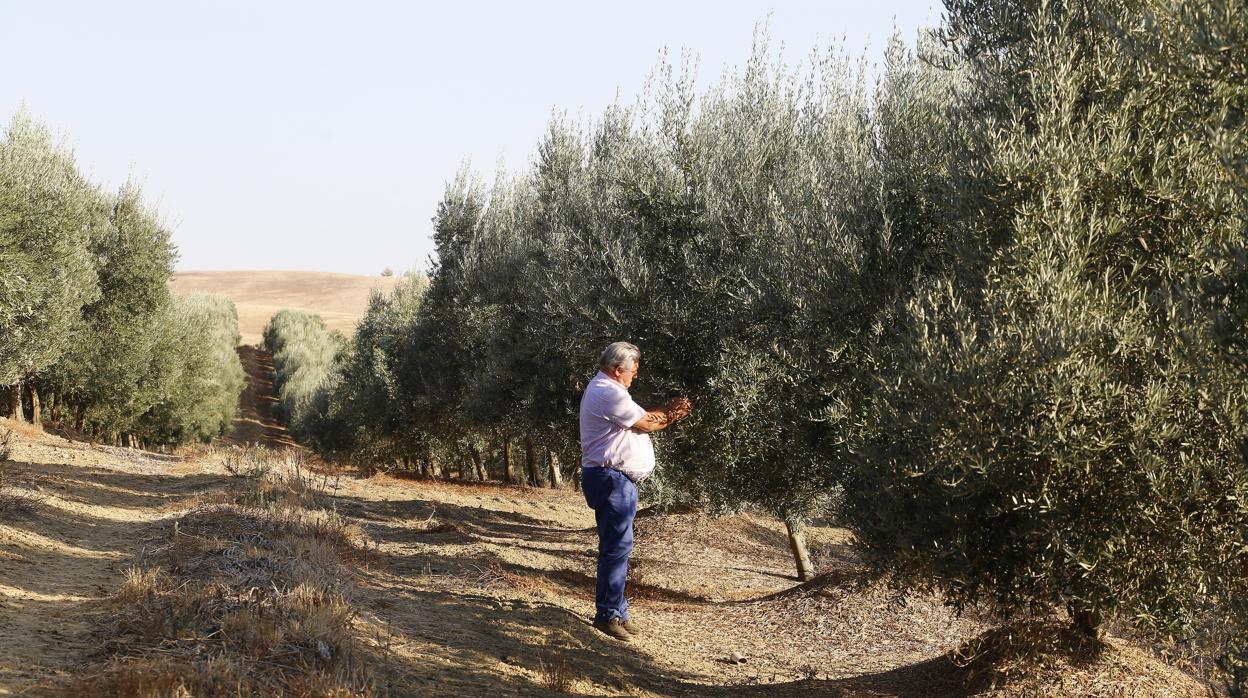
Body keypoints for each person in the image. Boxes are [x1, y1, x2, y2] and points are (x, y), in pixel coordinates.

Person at [579, 341, 692, 641]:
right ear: (618, 370)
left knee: (619, 547)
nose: (636, 375)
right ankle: (607, 615)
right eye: (633, 370)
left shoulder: (613, 391)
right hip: (611, 478)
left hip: (614, 479)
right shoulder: (607, 392)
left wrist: (665, 412)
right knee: (616, 549)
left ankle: (618, 610)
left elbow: (644, 417)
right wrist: (673, 414)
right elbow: (647, 423)